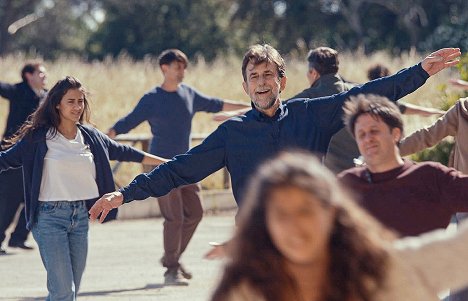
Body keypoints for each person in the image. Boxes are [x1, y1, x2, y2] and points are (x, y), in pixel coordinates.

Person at [89, 45, 460, 252]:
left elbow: (368, 94)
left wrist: (420, 71)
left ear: (282, 80)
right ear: (246, 86)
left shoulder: (312, 114)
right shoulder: (233, 133)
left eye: (269, 75)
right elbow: (179, 169)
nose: (262, 82)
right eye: (254, 76)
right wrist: (124, 193)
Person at [210, 151, 468, 301]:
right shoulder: (246, 290)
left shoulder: (384, 271)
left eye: (305, 211)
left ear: (332, 212)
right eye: (281, 215)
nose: (295, 227)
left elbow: (460, 249)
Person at [0, 76, 166, 300]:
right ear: (57, 103)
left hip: (80, 218)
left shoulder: (91, 136)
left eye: (80, 101)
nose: (77, 106)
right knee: (62, 292)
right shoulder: (39, 138)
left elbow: (125, 152)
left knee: (72, 290)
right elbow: (6, 160)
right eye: (71, 101)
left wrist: (168, 164)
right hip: (49, 217)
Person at [107, 49, 249, 284]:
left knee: (195, 213)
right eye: (178, 66)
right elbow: (129, 121)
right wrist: (109, 134)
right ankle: (171, 269)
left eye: (184, 66)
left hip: (187, 165)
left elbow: (218, 104)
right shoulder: (152, 98)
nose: (182, 71)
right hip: (160, 167)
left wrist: (252, 104)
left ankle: (171, 258)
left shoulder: (189, 94)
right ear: (165, 68)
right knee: (174, 218)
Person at [339, 94, 468, 236]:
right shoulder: (346, 184)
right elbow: (426, 136)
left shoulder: (431, 178)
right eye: (361, 135)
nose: (368, 139)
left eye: (374, 131)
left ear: (396, 134)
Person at [0, 62, 47, 254]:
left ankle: (18, 238)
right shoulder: (18, 91)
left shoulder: (46, 96)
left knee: (34, 198)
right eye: (41, 73)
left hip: (36, 155)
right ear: (29, 75)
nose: (45, 76)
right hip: (13, 154)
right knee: (9, 199)